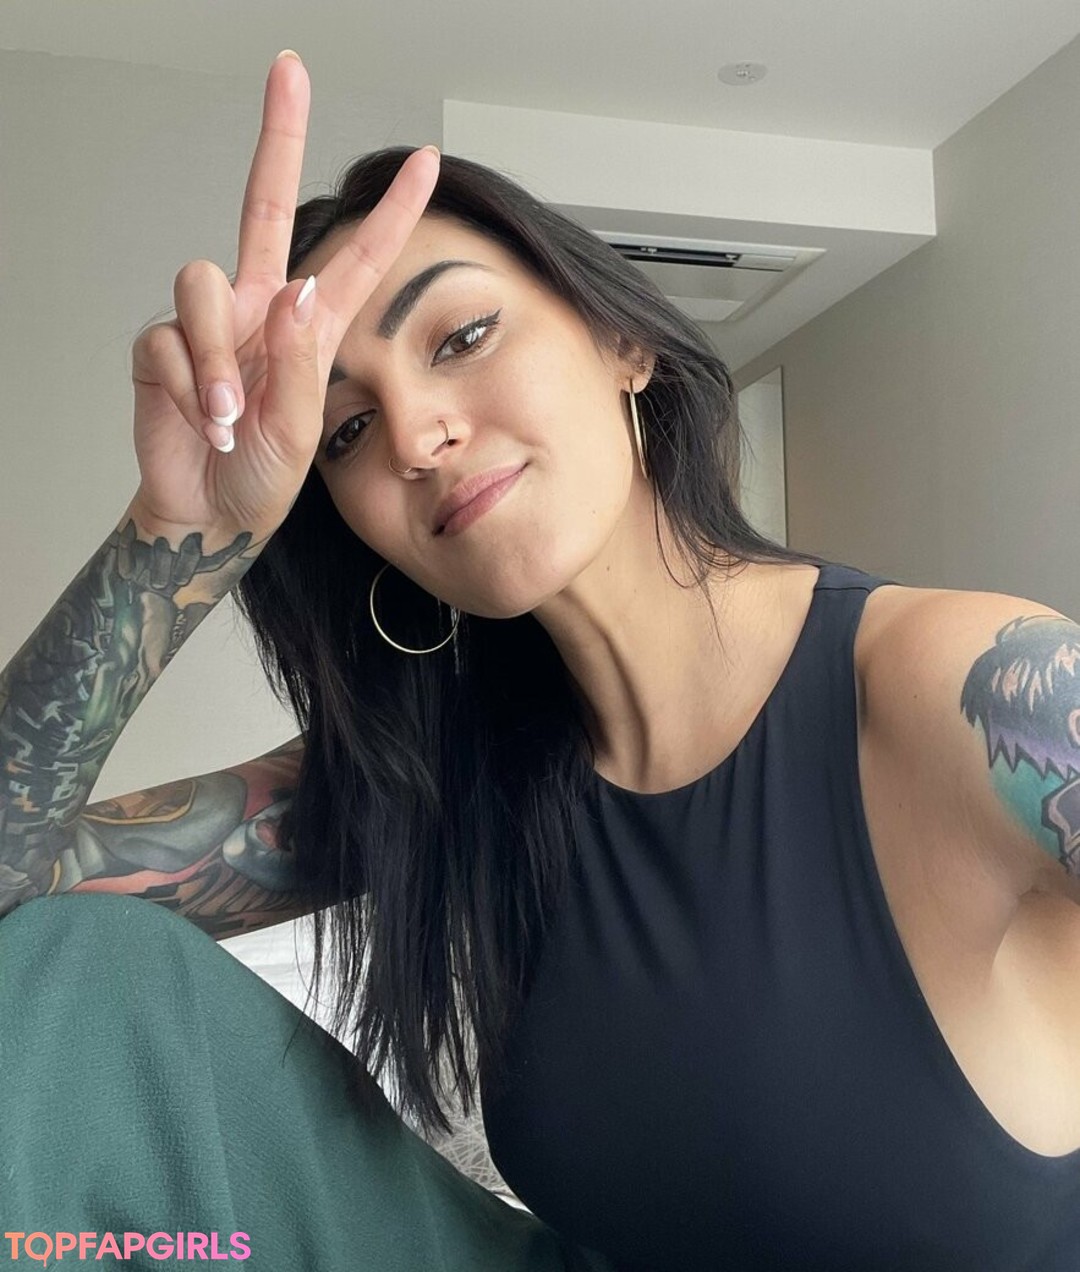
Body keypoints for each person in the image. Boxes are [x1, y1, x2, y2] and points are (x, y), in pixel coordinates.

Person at [2, 48, 1080, 1272]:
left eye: (461, 335)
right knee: (75, 974)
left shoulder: (980, 692)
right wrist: (174, 535)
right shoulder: (430, 776)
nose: (415, 436)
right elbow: (22, 908)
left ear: (623, 341)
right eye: (347, 429)